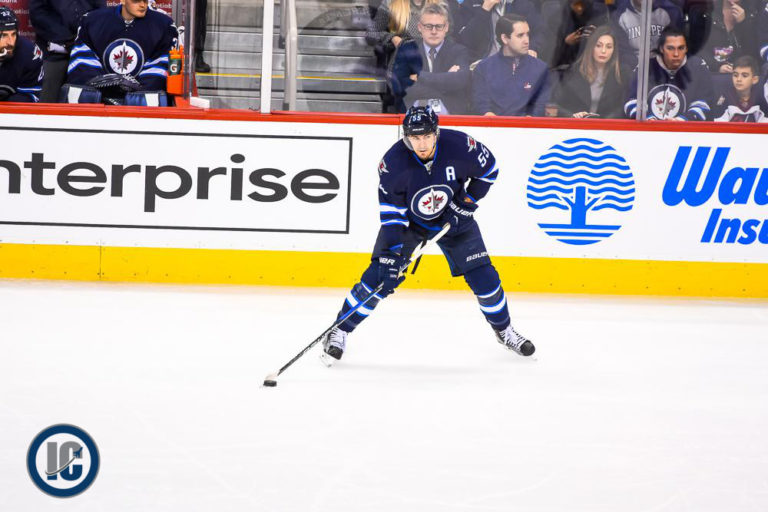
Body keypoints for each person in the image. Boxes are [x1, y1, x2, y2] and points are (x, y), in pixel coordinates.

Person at [320, 106, 535, 364]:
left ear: (436, 133)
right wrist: (391, 255)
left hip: (455, 219)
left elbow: (490, 170)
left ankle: (504, 331)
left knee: (485, 277)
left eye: (427, 136)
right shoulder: (393, 164)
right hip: (410, 225)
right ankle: (339, 330)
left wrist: (465, 204)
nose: (421, 144)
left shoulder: (460, 146)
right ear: (406, 136)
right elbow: (392, 215)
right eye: (415, 137)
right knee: (379, 278)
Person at [64, 0, 177, 103]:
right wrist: (99, 87)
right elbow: (82, 59)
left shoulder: (163, 25)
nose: (143, 5)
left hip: (141, 107)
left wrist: (138, 92)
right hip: (98, 104)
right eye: (136, 1)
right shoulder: (92, 21)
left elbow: (161, 62)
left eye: (145, 1)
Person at [390, 3, 471, 114]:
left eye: (439, 26)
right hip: (413, 115)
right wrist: (445, 84)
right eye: (428, 26)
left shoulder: (459, 51)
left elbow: (460, 81)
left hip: (450, 116)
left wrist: (419, 75)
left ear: (446, 27)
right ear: (420, 27)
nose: (434, 31)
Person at [624, 27, 714, 120]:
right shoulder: (646, 67)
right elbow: (632, 101)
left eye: (681, 48)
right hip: (650, 128)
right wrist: (648, 119)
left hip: (686, 129)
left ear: (686, 48)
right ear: (661, 48)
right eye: (670, 48)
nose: (676, 54)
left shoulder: (698, 67)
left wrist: (682, 120)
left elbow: (704, 103)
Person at [471, 14, 551, 116]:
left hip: (528, 125)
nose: (527, 41)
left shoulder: (540, 69)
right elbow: (481, 104)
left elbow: (540, 105)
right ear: (505, 38)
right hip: (494, 124)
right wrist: (491, 118)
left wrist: (529, 120)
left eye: (527, 34)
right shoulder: (483, 68)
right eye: (520, 35)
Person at [29, 0, 104, 102]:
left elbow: (100, 12)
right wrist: (67, 38)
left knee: (90, 95)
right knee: (46, 98)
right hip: (53, 51)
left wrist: (83, 34)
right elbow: (38, 14)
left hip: (86, 50)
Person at [553, 25, 630, 118]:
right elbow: (554, 106)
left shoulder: (622, 75)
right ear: (591, 47)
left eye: (609, 47)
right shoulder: (571, 73)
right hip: (576, 125)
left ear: (614, 50)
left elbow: (624, 107)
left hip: (607, 126)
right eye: (598, 46)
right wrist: (572, 116)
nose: (603, 51)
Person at [452, 0, 542, 61]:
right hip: (481, 61)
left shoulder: (523, 4)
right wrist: (485, 9)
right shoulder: (471, 4)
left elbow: (539, 31)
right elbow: (466, 40)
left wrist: (532, 48)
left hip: (515, 60)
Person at [613, 0, 683, 67]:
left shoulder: (672, 12)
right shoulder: (619, 15)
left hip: (663, 67)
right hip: (633, 67)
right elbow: (623, 53)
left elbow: (676, 49)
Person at [700, 0, 759, 74]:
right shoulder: (707, 12)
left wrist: (744, 23)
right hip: (713, 73)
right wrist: (717, 66)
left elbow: (754, 53)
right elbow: (698, 49)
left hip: (743, 74)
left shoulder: (754, 13)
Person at [0, 7, 44, 103]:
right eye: (3, 35)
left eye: (13, 34)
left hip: (11, 110)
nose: (10, 42)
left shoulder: (30, 53)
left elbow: (30, 96)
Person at [713, 55, 768, 121]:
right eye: (735, 75)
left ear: (754, 79)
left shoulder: (761, 98)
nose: (738, 79)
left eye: (744, 76)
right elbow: (717, 123)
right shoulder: (725, 97)